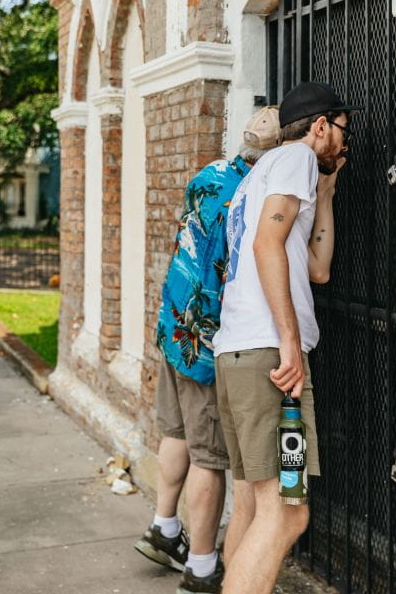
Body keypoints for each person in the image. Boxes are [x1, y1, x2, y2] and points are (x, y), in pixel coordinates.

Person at [212, 82, 359, 593]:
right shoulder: (295, 157)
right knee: (288, 515)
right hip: (270, 358)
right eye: (343, 128)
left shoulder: (262, 174)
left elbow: (316, 269)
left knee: (253, 504)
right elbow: (267, 243)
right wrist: (290, 342)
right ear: (320, 126)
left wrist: (327, 194)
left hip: (237, 353)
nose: (347, 140)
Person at [135, 106, 281, 594]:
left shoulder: (208, 174)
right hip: (206, 338)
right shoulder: (251, 194)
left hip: (173, 322)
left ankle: (164, 527)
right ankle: (200, 565)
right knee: (209, 456)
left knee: (174, 431)